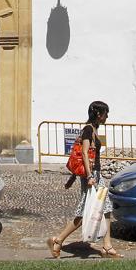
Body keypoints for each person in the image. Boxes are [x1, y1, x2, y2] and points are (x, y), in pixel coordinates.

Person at [47, 100, 122, 258]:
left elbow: (83, 155)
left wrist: (74, 176)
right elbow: (84, 153)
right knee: (85, 212)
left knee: (105, 208)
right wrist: (89, 176)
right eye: (106, 113)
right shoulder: (88, 129)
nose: (107, 117)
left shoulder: (93, 129)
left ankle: (107, 246)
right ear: (98, 114)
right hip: (92, 176)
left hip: (95, 175)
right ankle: (58, 240)